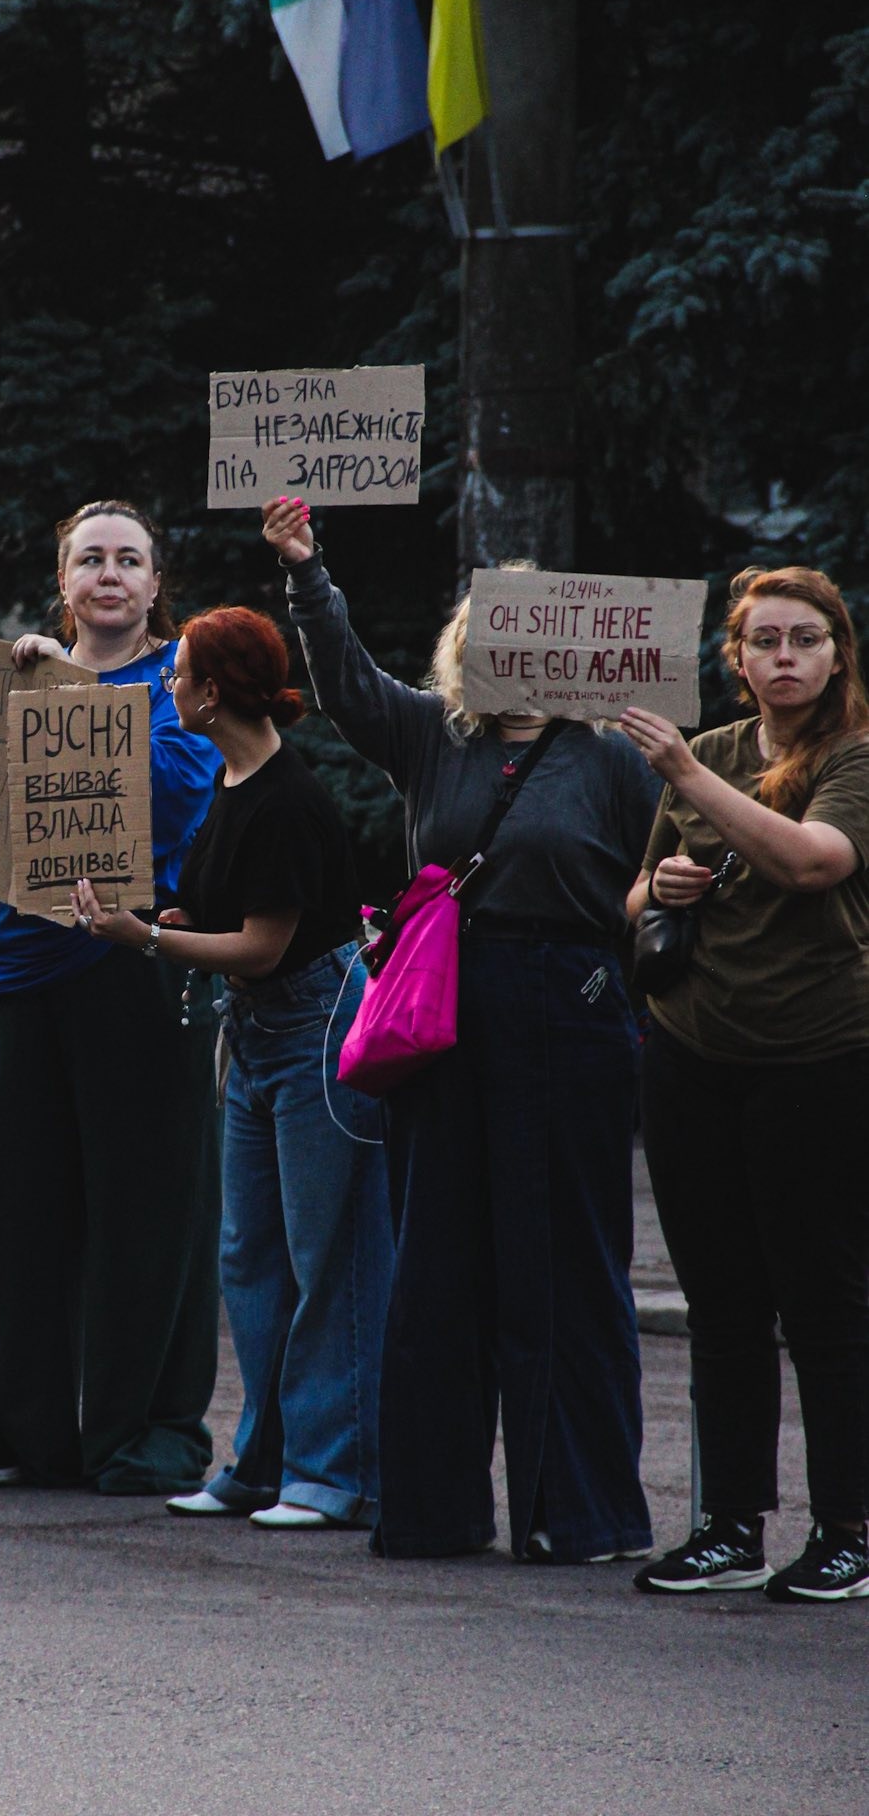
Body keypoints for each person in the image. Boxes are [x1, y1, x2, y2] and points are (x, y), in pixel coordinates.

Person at [263, 497, 658, 1565]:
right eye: (494, 619)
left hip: (569, 1009)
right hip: (448, 1009)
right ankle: (433, 1511)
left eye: (531, 620)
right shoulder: (437, 737)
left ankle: (578, 1512)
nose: (511, 636)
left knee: (567, 1265)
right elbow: (343, 681)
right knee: (436, 1263)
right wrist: (307, 570)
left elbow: (655, 886)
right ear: (469, 642)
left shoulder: (617, 755)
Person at [73, 605, 394, 1529]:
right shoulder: (229, 777)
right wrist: (173, 922)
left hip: (311, 1034)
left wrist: (145, 940)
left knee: (325, 1256)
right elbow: (227, 920)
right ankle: (262, 1463)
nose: (166, 687)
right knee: (248, 1257)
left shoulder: (287, 798)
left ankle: (334, 1477)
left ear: (211, 693)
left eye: (177, 676)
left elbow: (261, 947)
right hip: (256, 1037)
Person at [0, 499, 220, 1496]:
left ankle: (142, 1433)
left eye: (130, 559)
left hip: (135, 966)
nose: (110, 573)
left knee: (147, 1210)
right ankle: (18, 1432)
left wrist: (70, 698)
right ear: (63, 583)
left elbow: (182, 798)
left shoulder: (183, 678)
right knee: (20, 1212)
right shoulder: (2, 683)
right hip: (16, 969)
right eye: (90, 559)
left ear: (155, 584)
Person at [623, 567, 869, 1603]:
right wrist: (661, 886)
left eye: (803, 639)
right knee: (722, 1301)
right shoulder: (715, 753)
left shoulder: (851, 754)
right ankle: (730, 1524)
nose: (783, 657)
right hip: (692, 1052)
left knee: (823, 1300)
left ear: (835, 652)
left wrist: (684, 771)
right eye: (763, 640)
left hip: (816, 1056)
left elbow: (815, 860)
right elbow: (637, 892)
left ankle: (847, 1528)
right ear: (736, 658)